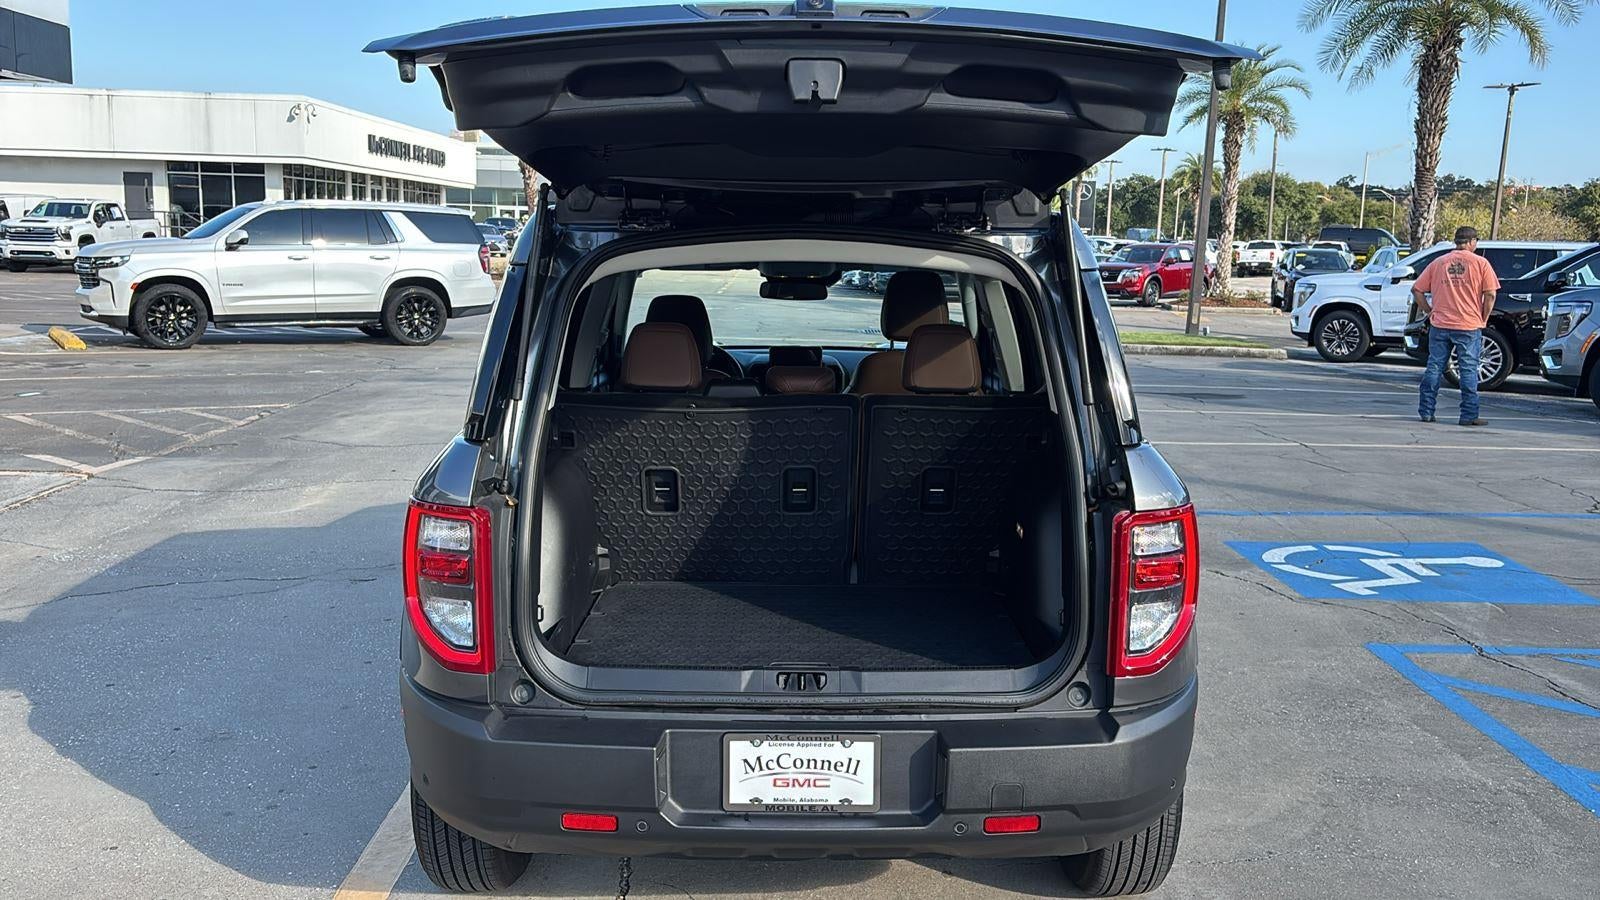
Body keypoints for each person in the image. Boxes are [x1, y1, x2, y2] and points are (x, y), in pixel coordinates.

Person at [1413, 226, 1500, 426]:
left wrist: (1429, 310)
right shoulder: (1481, 263)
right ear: (1472, 242)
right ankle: (1468, 415)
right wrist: (1483, 317)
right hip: (1469, 324)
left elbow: (1417, 289)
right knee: (1468, 369)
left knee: (1434, 367)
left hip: (1440, 323)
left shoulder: (1439, 262)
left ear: (1456, 241)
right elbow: (1490, 294)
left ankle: (1426, 411)